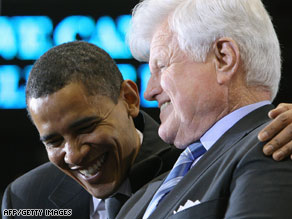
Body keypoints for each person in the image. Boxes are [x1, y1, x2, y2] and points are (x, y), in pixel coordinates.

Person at [116, 0, 292, 218]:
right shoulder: (140, 198)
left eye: (161, 66)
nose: (149, 92)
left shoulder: (276, 147)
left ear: (224, 59)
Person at [1, 41, 181, 219]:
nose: (73, 155)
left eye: (85, 128)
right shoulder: (23, 201)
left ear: (129, 99)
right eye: (54, 142)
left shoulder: (190, 170)